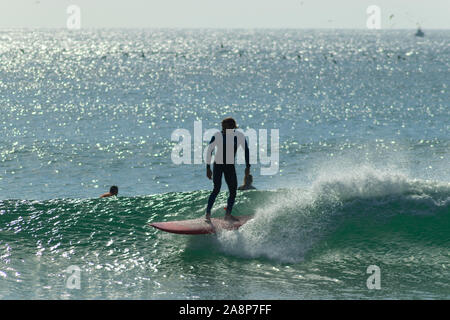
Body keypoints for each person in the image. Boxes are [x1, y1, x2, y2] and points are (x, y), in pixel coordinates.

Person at [205, 117, 250, 222]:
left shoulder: (238, 136)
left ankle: (228, 215)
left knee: (233, 191)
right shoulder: (217, 136)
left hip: (230, 166)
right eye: (223, 127)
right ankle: (207, 214)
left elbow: (246, 151)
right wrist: (208, 168)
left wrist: (248, 167)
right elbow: (209, 151)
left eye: (226, 127)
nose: (224, 129)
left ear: (233, 127)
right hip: (218, 165)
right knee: (216, 189)